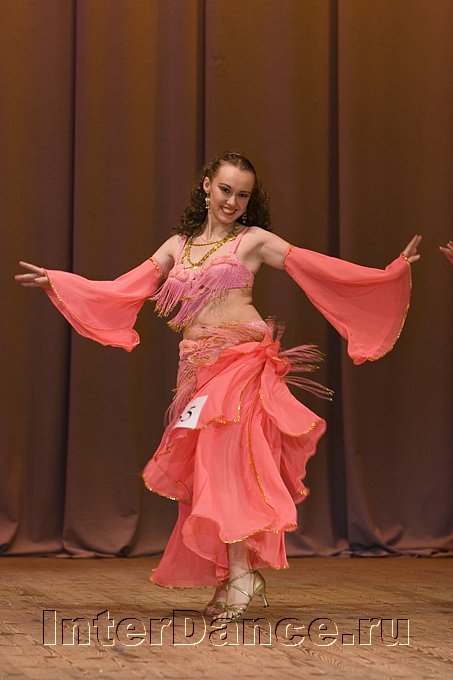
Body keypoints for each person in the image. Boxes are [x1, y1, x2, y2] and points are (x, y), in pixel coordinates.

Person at [15, 151, 422, 623]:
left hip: (241, 360)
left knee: (227, 462)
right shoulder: (178, 246)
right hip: (196, 368)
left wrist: (386, 274)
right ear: (207, 185)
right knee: (210, 470)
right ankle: (232, 577)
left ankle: (241, 575)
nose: (232, 201)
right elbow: (124, 288)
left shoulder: (254, 241)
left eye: (242, 194)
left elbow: (318, 269)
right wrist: (62, 283)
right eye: (226, 190)